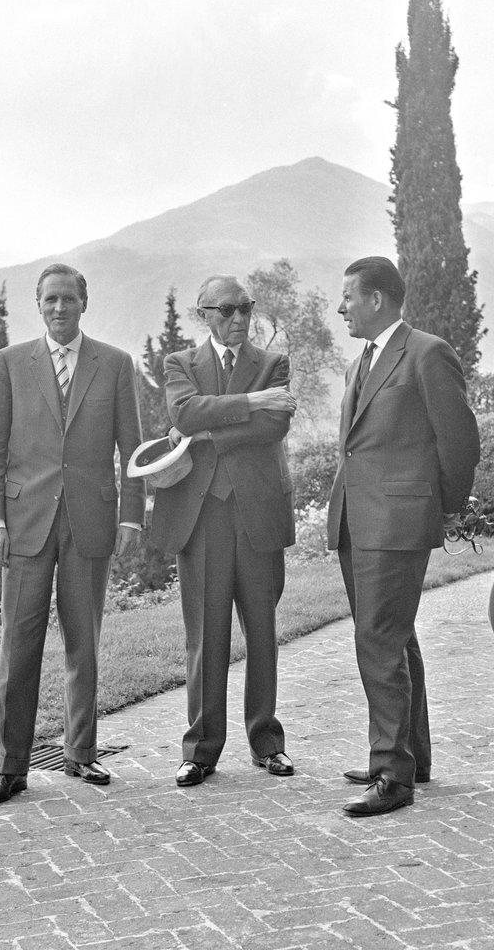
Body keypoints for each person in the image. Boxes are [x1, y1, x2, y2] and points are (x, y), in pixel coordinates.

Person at [0, 263, 144, 806]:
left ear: (83, 303)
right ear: (39, 304)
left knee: (84, 643)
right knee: (18, 646)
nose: (59, 308)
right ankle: (10, 768)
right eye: (50, 299)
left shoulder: (114, 364)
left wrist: (131, 517)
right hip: (25, 524)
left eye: (68, 298)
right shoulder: (10, 363)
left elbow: (133, 450)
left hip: (89, 521)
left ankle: (81, 752)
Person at [327, 256, 479, 816]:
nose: (341, 308)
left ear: (376, 299)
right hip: (356, 521)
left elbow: (459, 440)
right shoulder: (359, 363)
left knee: (378, 640)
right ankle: (411, 755)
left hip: (397, 523)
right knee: (394, 637)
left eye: (348, 297)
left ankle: (392, 775)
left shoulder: (427, 353)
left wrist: (438, 507)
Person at [150, 275, 297, 787]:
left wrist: (205, 431)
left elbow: (273, 427)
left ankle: (267, 743)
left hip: (259, 515)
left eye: (245, 309)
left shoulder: (273, 363)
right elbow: (183, 412)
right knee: (205, 637)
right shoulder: (180, 364)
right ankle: (201, 750)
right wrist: (253, 403)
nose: (239, 319)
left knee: (263, 634)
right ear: (204, 314)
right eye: (227, 310)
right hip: (202, 519)